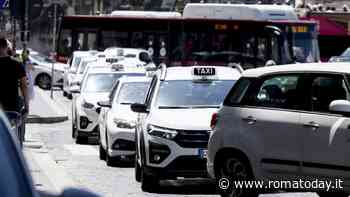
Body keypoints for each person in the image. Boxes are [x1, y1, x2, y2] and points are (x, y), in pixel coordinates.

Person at [0, 37, 28, 114]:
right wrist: (26, 106)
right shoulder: (17, 64)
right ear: (6, 47)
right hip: (12, 106)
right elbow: (24, 86)